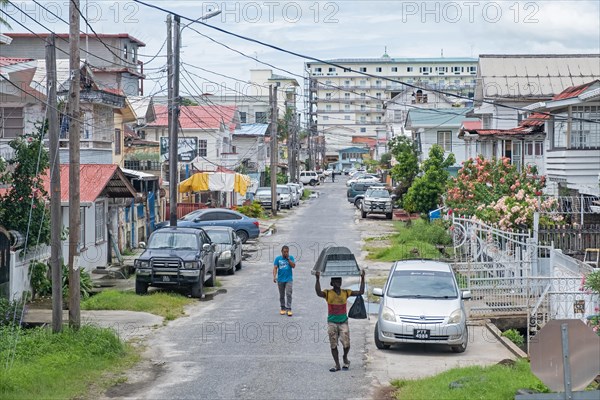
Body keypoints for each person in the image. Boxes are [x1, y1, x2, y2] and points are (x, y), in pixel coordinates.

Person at [315, 270, 365, 372]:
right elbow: (318, 293)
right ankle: (337, 365)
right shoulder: (328, 293)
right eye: (336, 281)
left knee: (346, 344)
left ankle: (345, 358)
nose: (338, 283)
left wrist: (363, 278)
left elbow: (361, 292)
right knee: (333, 344)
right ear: (332, 283)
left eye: (339, 281)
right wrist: (317, 279)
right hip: (332, 322)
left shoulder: (345, 292)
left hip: (343, 322)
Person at [273, 245, 296, 316]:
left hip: (289, 279)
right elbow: (275, 268)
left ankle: (289, 309)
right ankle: (283, 308)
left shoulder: (291, 258)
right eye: (284, 252)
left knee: (289, 293)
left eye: (287, 252)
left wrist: (288, 259)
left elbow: (293, 266)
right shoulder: (278, 259)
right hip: (280, 279)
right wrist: (274, 277)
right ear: (282, 252)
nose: (286, 253)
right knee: (282, 295)